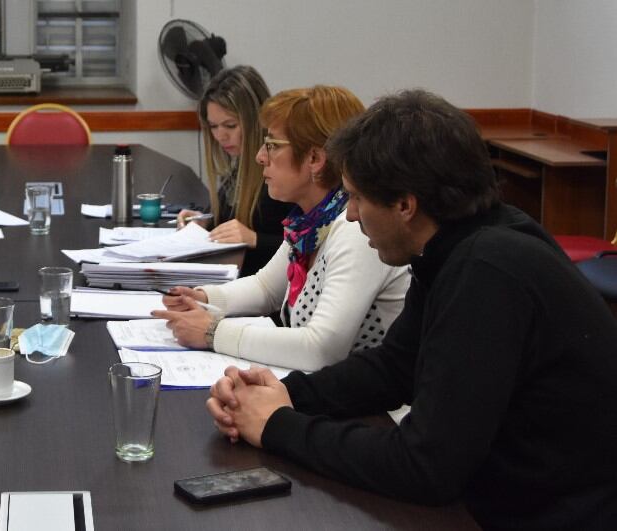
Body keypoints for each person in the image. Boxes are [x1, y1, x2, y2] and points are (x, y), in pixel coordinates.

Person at [207, 90, 617, 529]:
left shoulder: (487, 271)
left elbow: (425, 467)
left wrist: (277, 426)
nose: (348, 216)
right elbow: (396, 366)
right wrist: (287, 394)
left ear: (405, 205)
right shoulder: (455, 241)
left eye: (358, 198)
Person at [154, 86, 410, 372]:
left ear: (315, 158)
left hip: (378, 412)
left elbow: (321, 348)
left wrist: (213, 332)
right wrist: (202, 298)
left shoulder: (355, 228)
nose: (260, 156)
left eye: (272, 145)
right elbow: (267, 288)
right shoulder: (311, 223)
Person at [178, 66, 292, 275]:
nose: (220, 136)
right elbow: (231, 220)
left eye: (230, 125)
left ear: (256, 122)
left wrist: (255, 240)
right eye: (213, 126)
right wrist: (205, 222)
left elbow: (309, 247)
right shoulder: (236, 168)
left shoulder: (283, 175)